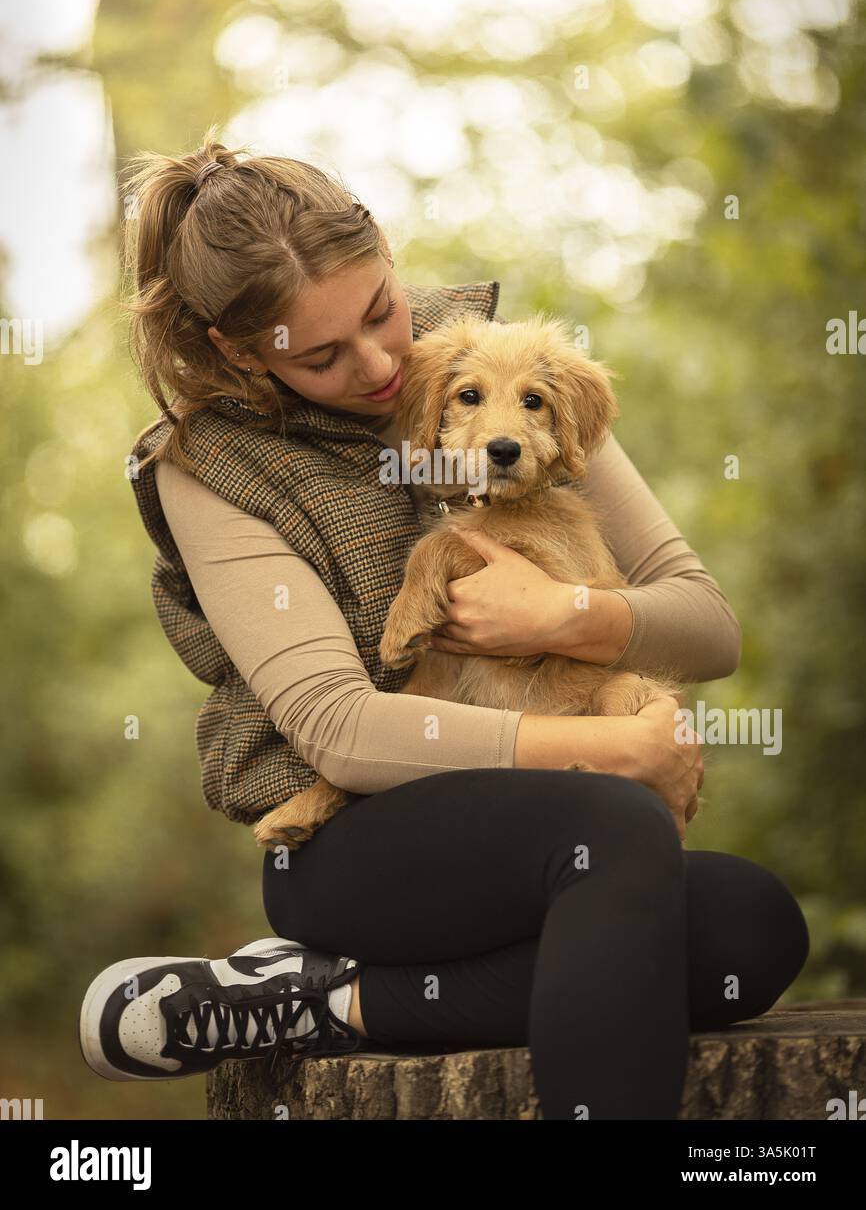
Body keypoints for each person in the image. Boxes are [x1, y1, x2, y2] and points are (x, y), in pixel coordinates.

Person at [79, 130, 809, 1120]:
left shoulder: (494, 366)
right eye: (323, 354)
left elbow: (705, 627)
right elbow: (338, 726)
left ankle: (326, 999)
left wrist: (565, 614)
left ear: (382, 248)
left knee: (745, 928)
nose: (381, 362)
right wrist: (608, 746)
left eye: (381, 309)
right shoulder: (209, 463)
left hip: (534, 823)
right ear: (238, 349)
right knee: (610, 823)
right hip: (357, 843)